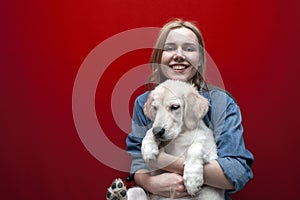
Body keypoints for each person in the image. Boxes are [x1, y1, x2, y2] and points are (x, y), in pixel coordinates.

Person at [125, 19, 254, 199]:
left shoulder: (220, 103)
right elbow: (139, 163)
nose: (179, 55)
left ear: (200, 59)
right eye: (170, 48)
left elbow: (237, 173)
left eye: (189, 48)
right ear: (159, 57)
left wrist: (165, 162)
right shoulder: (144, 102)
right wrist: (150, 183)